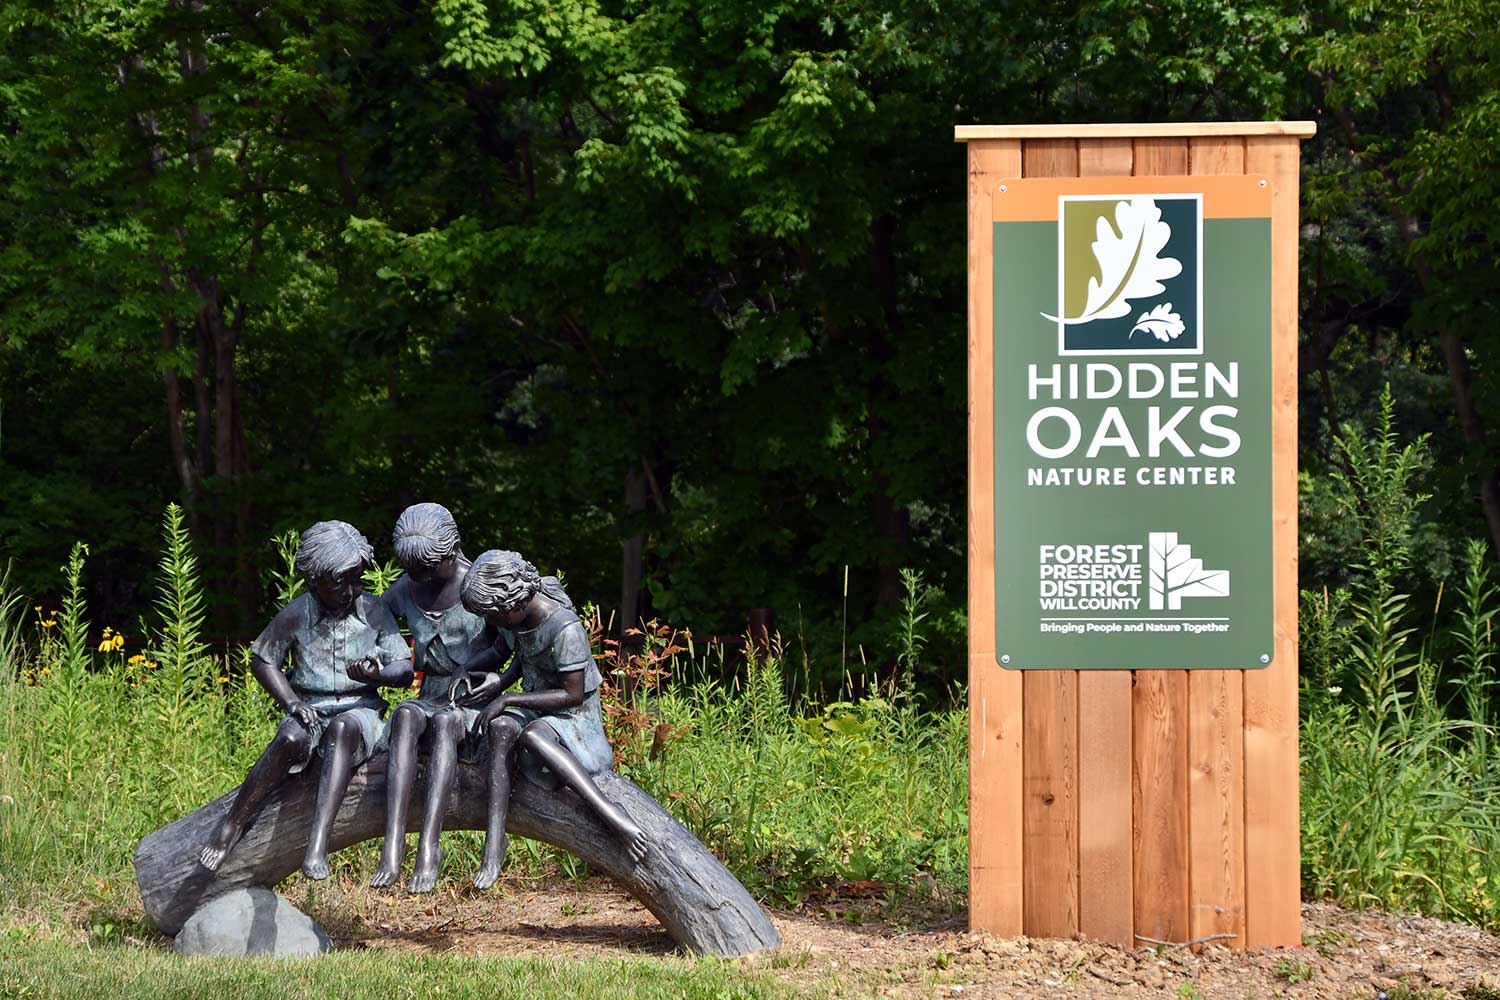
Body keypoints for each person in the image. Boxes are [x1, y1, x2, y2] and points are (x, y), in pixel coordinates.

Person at [198, 521, 412, 878]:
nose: (351, 590)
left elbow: (403, 668)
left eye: (357, 580)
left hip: (361, 710)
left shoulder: (374, 611)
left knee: (343, 730)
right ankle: (232, 823)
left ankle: (317, 844)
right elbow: (263, 659)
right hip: (311, 706)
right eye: (340, 582)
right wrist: (291, 703)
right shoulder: (297, 614)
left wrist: (377, 675)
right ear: (314, 580)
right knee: (290, 737)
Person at [454, 549, 648, 890]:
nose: (493, 623)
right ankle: (495, 838)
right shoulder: (515, 617)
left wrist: (509, 697)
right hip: (537, 705)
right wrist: (489, 678)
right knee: (500, 728)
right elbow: (518, 657)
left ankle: (609, 811)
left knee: (532, 736)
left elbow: (572, 694)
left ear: (511, 602)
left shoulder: (564, 627)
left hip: (573, 717)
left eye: (493, 615)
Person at [371, 503, 499, 893]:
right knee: (406, 716)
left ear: (454, 549)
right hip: (429, 694)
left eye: (428, 568)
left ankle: (429, 845)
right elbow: (372, 619)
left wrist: (483, 668)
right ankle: (393, 844)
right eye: (413, 571)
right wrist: (378, 656)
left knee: (445, 723)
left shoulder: (479, 583)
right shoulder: (408, 587)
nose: (420, 577)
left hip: (471, 697)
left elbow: (507, 644)